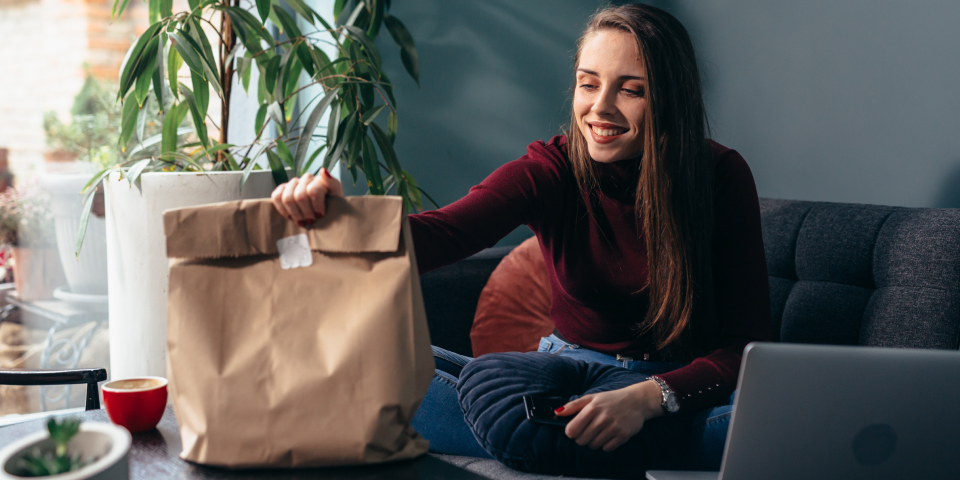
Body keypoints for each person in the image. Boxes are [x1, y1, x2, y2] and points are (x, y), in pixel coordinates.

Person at [272, 3, 770, 475]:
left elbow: (743, 348)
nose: (600, 108)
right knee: (362, 364)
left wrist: (648, 399)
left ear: (670, 97)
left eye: (631, 90)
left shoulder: (719, 176)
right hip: (557, 381)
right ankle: (614, 447)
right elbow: (445, 233)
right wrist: (338, 219)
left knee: (762, 429)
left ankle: (571, 442)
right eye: (587, 84)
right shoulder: (551, 167)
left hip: (673, 387)